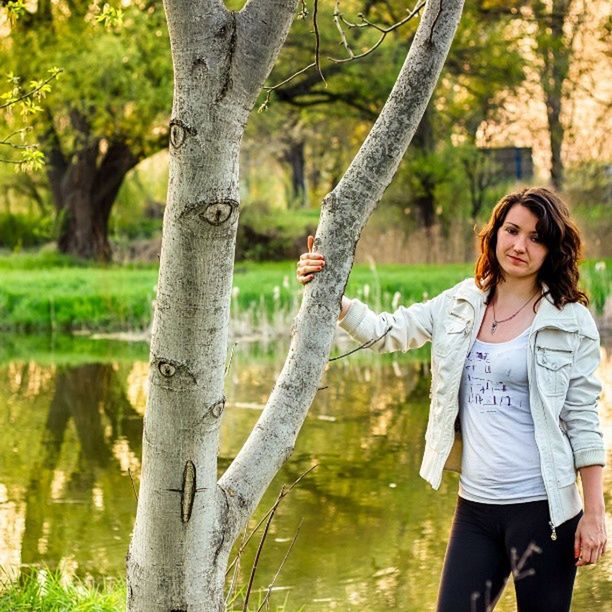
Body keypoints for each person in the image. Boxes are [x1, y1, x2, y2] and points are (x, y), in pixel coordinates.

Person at [296, 187, 606, 611]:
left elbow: (584, 420)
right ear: (495, 234)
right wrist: (330, 290)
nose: (519, 245)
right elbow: (387, 331)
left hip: (544, 512)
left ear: (552, 248)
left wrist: (594, 515)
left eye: (536, 237)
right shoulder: (462, 303)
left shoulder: (570, 321)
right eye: (512, 230)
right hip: (476, 509)